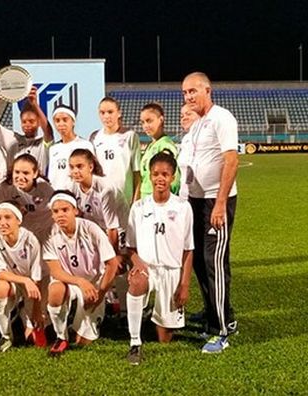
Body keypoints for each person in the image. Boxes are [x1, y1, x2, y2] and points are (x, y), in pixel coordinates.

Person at [182, 72, 239, 353]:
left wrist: (219, 203)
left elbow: (231, 160)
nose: (189, 96)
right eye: (184, 93)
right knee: (200, 263)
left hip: (214, 203)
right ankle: (215, 313)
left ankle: (221, 331)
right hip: (194, 202)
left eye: (193, 91)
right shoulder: (197, 124)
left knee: (214, 262)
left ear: (207, 90)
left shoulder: (222, 118)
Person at [125, 151, 194, 365]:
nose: (160, 178)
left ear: (173, 177)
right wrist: (138, 264)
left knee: (164, 337)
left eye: (165, 174)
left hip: (171, 272)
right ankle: (135, 343)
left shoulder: (183, 207)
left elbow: (188, 249)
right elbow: (130, 247)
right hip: (147, 269)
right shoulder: (139, 207)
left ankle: (152, 314)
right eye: (156, 174)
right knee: (137, 282)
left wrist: (184, 284)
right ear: (149, 176)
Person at [43, 191, 120, 356]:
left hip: (93, 286)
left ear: (75, 210)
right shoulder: (50, 234)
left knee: (82, 342)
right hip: (71, 283)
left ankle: (91, 316)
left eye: (65, 210)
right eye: (56, 211)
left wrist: (100, 294)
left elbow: (112, 264)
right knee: (55, 290)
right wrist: (79, 281)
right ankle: (60, 336)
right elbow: (55, 271)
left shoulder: (90, 228)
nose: (60, 215)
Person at [0, 201, 45, 352]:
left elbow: (37, 279)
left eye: (7, 218)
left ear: (18, 220)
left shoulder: (31, 240)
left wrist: (37, 310)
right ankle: (6, 336)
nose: (2, 222)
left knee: (33, 340)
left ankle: (22, 314)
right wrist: (24, 280)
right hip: (13, 282)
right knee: (0, 287)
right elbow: (0, 273)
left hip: (32, 287)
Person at [0, 85, 53, 174]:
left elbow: (48, 131)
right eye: (24, 121)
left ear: (39, 123)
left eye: (31, 121)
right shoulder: (13, 139)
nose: (27, 125)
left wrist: (35, 105)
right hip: (14, 186)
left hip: (37, 186)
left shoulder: (42, 144)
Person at [66, 148, 123, 249]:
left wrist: (112, 257)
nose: (75, 171)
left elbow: (112, 228)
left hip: (120, 229)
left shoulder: (105, 189)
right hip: (98, 228)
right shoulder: (71, 188)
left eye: (79, 166)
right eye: (72, 167)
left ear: (91, 167)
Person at [89, 97, 141, 207]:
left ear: (119, 113)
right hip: (101, 200)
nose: (106, 116)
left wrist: (136, 201)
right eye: (102, 113)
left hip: (125, 201)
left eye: (110, 112)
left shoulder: (130, 136)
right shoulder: (94, 137)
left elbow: (137, 173)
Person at [0, 154, 54, 244]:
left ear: (35, 173)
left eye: (25, 173)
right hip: (17, 238)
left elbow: (54, 212)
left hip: (42, 237)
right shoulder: (5, 189)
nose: (20, 177)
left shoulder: (45, 189)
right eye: (17, 172)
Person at [47, 105, 95, 190]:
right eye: (57, 121)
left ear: (73, 122)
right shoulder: (53, 149)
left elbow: (92, 174)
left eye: (65, 120)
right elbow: (52, 176)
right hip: (57, 196)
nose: (61, 124)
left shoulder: (85, 145)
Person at [138, 103, 180, 199]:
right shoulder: (150, 146)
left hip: (158, 200)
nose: (145, 126)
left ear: (161, 120)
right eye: (143, 122)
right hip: (145, 200)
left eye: (149, 121)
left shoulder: (166, 144)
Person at [177, 104, 201, 200]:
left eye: (188, 114)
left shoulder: (206, 138)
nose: (184, 118)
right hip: (185, 198)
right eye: (182, 116)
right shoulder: (186, 139)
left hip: (202, 199)